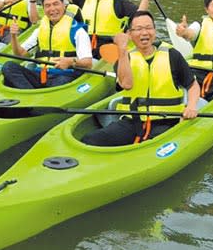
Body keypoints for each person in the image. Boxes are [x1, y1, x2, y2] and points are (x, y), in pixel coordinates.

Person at [82, 10, 200, 147]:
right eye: (138, 29)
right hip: (132, 121)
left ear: (154, 31)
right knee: (90, 140)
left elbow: (192, 85)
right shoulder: (124, 57)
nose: (144, 33)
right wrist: (122, 49)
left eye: (148, 28)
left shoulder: (172, 55)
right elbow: (126, 84)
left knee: (153, 146)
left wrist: (191, 106)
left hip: (167, 121)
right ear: (130, 34)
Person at [1, 0, 93, 89]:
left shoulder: (78, 31)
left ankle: (33, 95)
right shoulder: (40, 30)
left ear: (64, 6)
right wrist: (14, 36)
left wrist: (70, 62)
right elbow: (20, 54)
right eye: (47, 6)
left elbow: (88, 63)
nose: (52, 9)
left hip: (64, 75)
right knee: (8, 66)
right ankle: (30, 94)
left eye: (55, 4)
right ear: (44, 9)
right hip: (39, 74)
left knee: (61, 82)